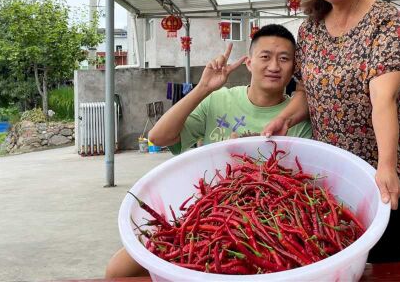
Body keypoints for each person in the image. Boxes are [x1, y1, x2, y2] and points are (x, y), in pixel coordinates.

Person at [261, 0, 400, 263]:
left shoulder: (386, 19)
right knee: (341, 255)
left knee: (390, 260)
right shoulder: (310, 29)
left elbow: (382, 98)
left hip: (387, 165)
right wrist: (285, 117)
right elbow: (308, 92)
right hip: (337, 171)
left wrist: (386, 166)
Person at [105, 23, 312, 278]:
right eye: (265, 57)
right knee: (118, 271)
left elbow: (298, 188)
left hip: (269, 221)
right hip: (206, 214)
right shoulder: (219, 99)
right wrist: (203, 88)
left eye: (284, 59)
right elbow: (158, 137)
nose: (273, 66)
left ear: (294, 67)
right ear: (249, 62)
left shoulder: (299, 117)